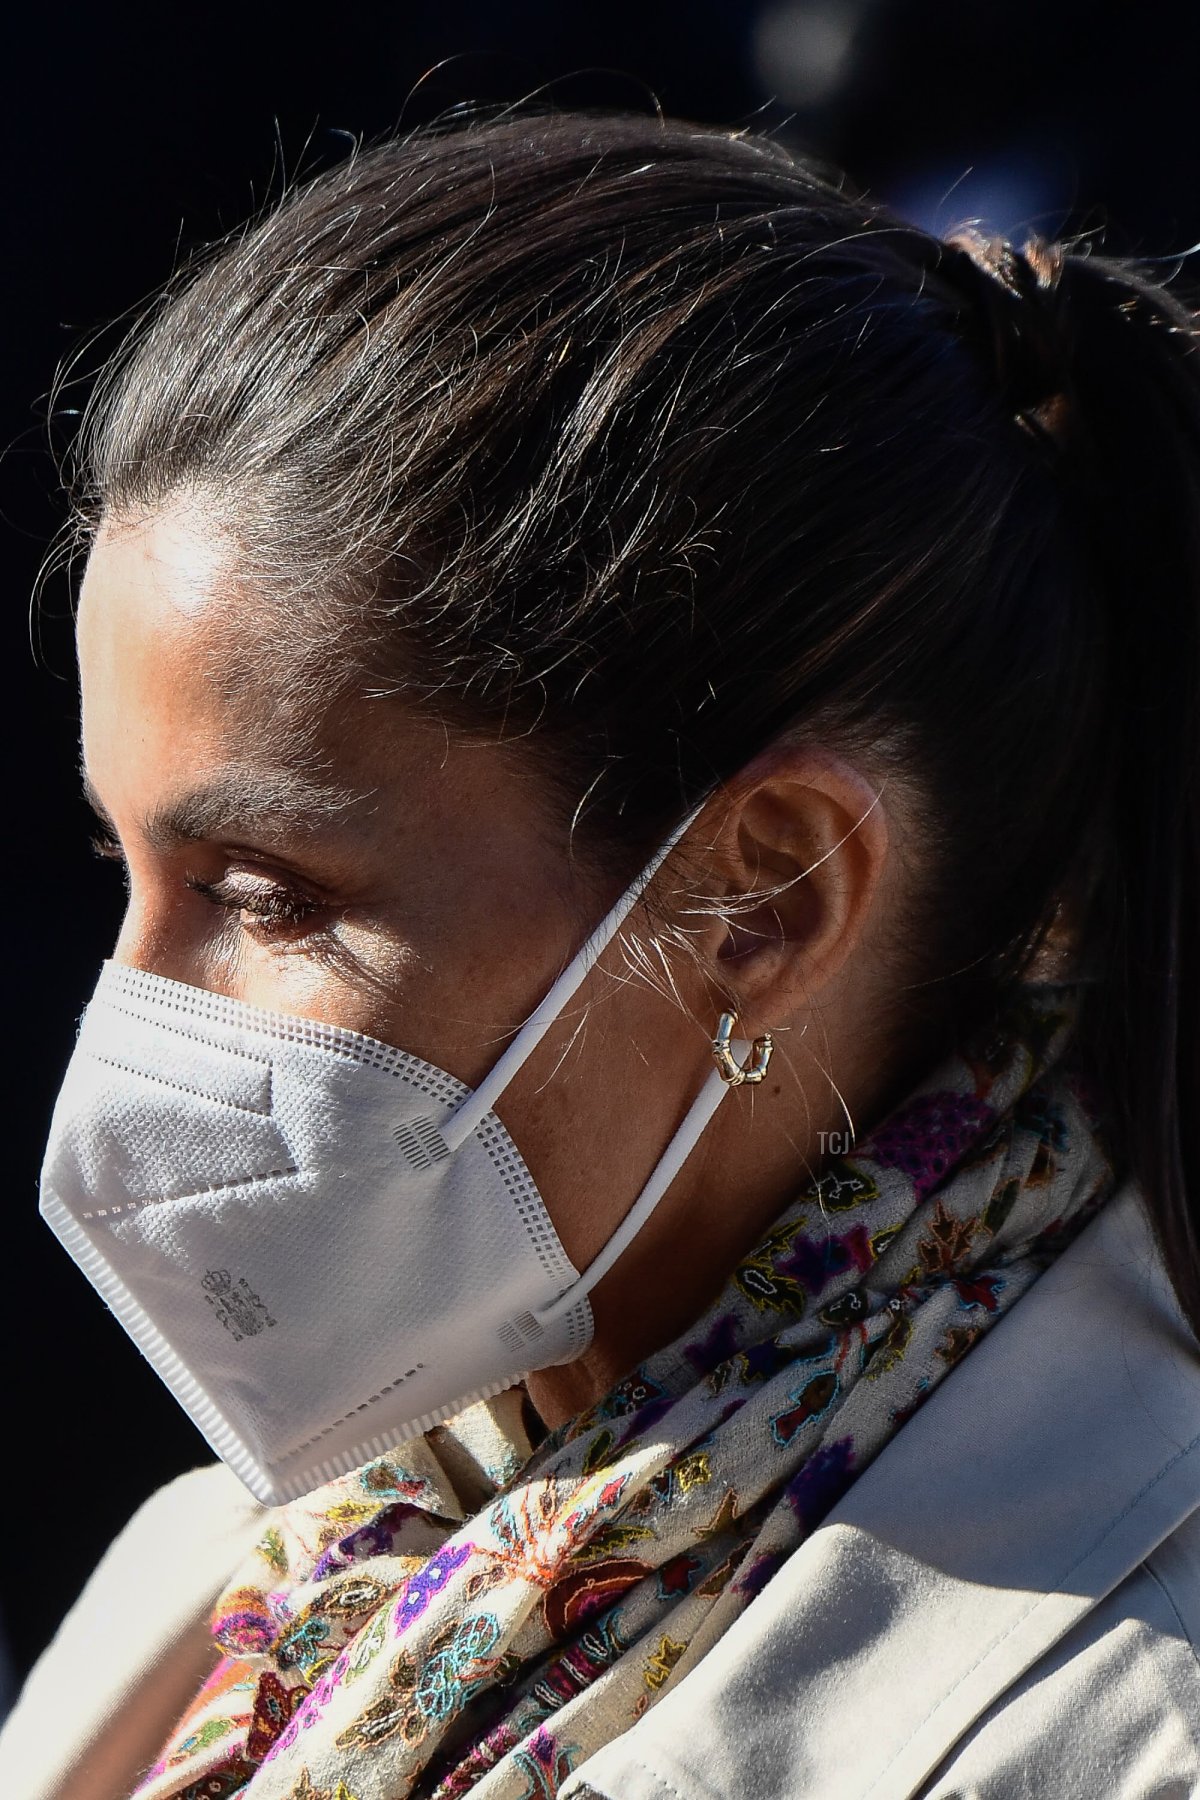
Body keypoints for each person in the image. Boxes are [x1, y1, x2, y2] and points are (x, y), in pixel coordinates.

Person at [3, 109, 1199, 1800]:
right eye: (124, 867)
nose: (135, 1022)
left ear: (760, 900)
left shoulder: (1128, 1724)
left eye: (264, 895)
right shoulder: (267, 1564)